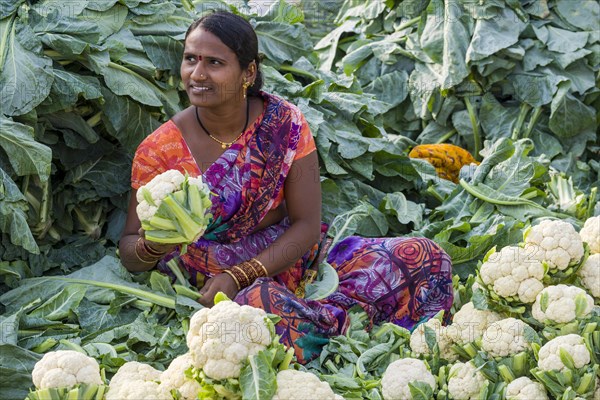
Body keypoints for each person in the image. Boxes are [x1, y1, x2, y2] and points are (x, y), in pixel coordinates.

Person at [119, 10, 453, 364]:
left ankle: (321, 324)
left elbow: (307, 224)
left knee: (424, 256)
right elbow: (129, 250)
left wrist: (242, 273)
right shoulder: (160, 150)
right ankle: (344, 325)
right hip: (215, 292)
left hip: (297, 263)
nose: (197, 74)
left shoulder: (284, 123)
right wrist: (154, 244)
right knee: (260, 309)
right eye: (190, 59)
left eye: (214, 63)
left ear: (248, 72)